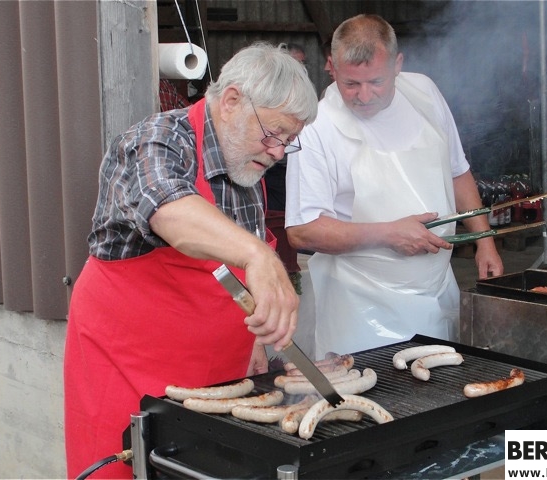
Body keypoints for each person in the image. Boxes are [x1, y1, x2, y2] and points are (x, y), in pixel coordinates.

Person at [64, 42, 318, 479]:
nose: (278, 152)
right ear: (232, 100)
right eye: (273, 134)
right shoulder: (156, 140)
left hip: (219, 378)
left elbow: (228, 273)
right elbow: (170, 210)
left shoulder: (246, 161)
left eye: (288, 142)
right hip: (127, 368)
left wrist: (255, 340)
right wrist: (258, 255)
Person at [284, 14, 503, 358]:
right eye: (350, 84)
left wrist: (484, 241)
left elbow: (457, 172)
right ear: (332, 67)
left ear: (397, 65)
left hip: (436, 289)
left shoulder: (424, 93)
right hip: (359, 306)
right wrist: (389, 234)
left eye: (376, 81)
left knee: (440, 381)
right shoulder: (316, 128)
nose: (364, 96)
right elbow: (302, 231)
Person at [264, 42, 309, 293]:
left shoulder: (307, 96)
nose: (300, 68)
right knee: (275, 218)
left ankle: (289, 274)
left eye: (303, 63)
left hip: (291, 167)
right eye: (295, 63)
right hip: (271, 171)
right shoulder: (271, 94)